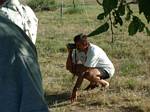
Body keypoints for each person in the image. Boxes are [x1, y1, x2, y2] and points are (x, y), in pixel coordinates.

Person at [66, 33, 115, 102]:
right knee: (72, 67)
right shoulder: (78, 50)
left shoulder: (93, 51)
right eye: (76, 45)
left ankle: (104, 84)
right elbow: (69, 66)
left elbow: (83, 72)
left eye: (78, 45)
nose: (76, 47)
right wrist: (70, 52)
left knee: (88, 73)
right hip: (93, 68)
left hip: (106, 70)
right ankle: (94, 83)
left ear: (85, 44)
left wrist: (75, 90)